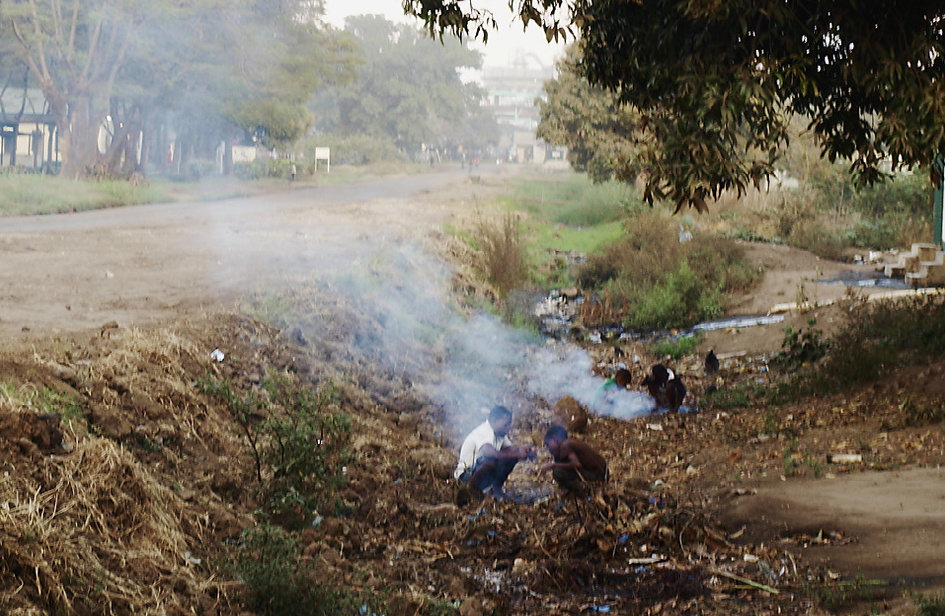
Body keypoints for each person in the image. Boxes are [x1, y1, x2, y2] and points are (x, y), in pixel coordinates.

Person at [454, 405, 535, 498]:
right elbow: (489, 453)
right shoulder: (484, 431)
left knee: (510, 458)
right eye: (505, 425)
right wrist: (515, 454)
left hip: (477, 471)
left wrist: (524, 451)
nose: (508, 428)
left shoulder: (499, 434)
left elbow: (511, 449)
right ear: (494, 420)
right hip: (465, 475)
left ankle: (496, 490)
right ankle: (471, 490)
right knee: (490, 460)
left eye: (509, 425)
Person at [540, 425, 608, 496]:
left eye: (548, 444)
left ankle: (581, 492)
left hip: (599, 476)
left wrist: (553, 465)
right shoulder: (567, 444)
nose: (548, 448)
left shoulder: (565, 445)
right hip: (600, 473)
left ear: (556, 440)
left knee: (558, 471)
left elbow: (576, 464)